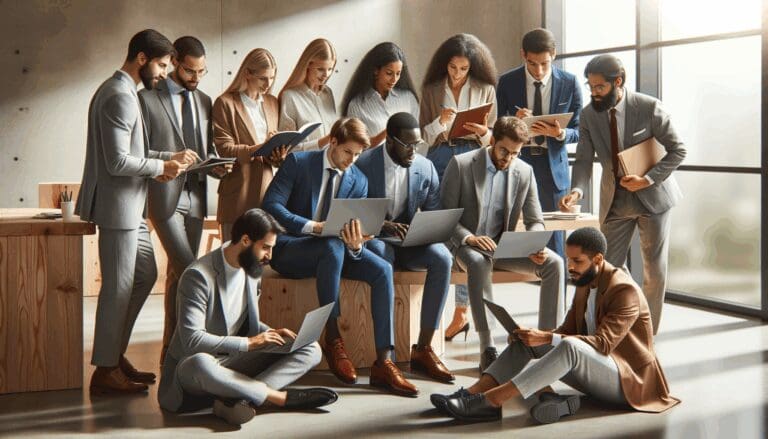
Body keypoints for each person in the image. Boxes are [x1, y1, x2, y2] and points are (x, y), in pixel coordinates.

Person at [431, 227, 680, 424]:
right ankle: (473, 394)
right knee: (527, 342)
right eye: (569, 260)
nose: (570, 267)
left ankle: (492, 401)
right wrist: (535, 336)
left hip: (630, 382)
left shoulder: (624, 290)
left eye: (577, 261)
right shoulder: (585, 282)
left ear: (599, 259)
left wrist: (548, 338)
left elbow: (604, 344)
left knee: (568, 346)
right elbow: (567, 331)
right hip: (599, 369)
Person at [262, 117, 418, 397]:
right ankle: (332, 338)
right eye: (348, 152)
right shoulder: (299, 163)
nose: (352, 160)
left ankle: (384, 361)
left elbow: (350, 231)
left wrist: (357, 246)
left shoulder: (359, 179)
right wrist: (313, 227)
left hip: (334, 251)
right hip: (290, 249)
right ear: (333, 142)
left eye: (358, 155)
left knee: (382, 268)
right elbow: (271, 205)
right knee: (332, 247)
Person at [75, 29, 194, 394]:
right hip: (118, 210)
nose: (162, 73)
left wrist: (167, 157)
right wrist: (162, 169)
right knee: (117, 289)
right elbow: (116, 161)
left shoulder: (123, 91)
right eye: (160, 65)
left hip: (130, 209)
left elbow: (132, 149)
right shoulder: (119, 96)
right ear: (141, 58)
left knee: (145, 275)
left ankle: (113, 355)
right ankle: (105, 369)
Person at [158, 209, 338, 425]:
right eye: (265, 248)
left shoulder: (252, 271)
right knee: (200, 363)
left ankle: (238, 400)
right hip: (194, 372)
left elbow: (243, 323)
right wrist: (251, 343)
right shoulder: (197, 276)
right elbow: (192, 341)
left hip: (231, 361)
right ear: (245, 240)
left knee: (311, 348)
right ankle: (276, 397)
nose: (269, 257)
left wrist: (268, 333)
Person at [560, 55, 686, 334]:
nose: (593, 92)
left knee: (653, 271)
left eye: (599, 87)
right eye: (590, 86)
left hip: (653, 199)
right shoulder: (589, 115)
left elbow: (679, 150)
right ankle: (593, 329)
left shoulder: (649, 107)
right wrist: (577, 190)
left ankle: (645, 334)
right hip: (615, 201)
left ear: (618, 82)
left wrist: (647, 179)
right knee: (602, 266)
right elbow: (582, 159)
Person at [440, 116, 565, 371]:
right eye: (503, 150)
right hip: (465, 244)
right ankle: (488, 346)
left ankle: (546, 340)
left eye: (515, 153)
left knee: (555, 263)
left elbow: (535, 219)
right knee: (478, 261)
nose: (508, 158)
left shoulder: (524, 171)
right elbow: (445, 215)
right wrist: (469, 237)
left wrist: (534, 243)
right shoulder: (461, 165)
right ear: (492, 140)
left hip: (502, 246)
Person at [139, 36, 231, 363]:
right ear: (175, 62)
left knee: (179, 275)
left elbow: (207, 151)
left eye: (202, 72)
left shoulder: (205, 100)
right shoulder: (147, 97)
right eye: (191, 71)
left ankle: (171, 348)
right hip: (165, 197)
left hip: (197, 195)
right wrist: (170, 157)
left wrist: (218, 166)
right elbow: (138, 152)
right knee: (191, 270)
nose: (196, 78)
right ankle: (195, 345)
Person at [356, 112, 454, 383]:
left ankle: (423, 348)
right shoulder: (363, 163)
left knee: (443, 258)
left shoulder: (425, 167)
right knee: (382, 257)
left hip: (410, 242)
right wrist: (384, 225)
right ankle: (384, 359)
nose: (413, 151)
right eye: (407, 145)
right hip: (374, 238)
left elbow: (434, 213)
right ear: (389, 140)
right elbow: (351, 214)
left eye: (418, 145)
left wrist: (424, 230)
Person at [418, 33, 498, 342]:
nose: (457, 74)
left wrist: (483, 133)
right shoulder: (431, 90)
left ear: (472, 67)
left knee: (469, 228)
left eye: (463, 68)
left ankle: (461, 311)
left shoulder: (485, 89)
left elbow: (493, 136)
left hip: (473, 154)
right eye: (452, 67)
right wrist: (440, 122)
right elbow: (423, 136)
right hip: (440, 155)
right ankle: (435, 305)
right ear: (445, 64)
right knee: (440, 226)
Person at [496, 28, 583, 269]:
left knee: (555, 244)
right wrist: (514, 122)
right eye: (532, 64)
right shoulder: (507, 81)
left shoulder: (570, 82)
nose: (539, 71)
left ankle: (558, 305)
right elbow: (497, 129)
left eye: (544, 63)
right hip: (517, 165)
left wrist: (560, 133)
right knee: (512, 237)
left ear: (554, 54)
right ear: (523, 55)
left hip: (553, 170)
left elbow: (580, 131)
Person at [213, 48, 288, 242]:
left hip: (266, 190)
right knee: (232, 257)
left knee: (260, 262)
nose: (268, 84)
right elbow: (224, 148)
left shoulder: (272, 103)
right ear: (247, 73)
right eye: (263, 78)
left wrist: (278, 156)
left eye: (272, 78)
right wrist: (260, 147)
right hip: (238, 190)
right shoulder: (225, 103)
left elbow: (271, 154)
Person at [341, 42, 420, 147]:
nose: (394, 79)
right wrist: (389, 131)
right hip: (372, 162)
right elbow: (356, 147)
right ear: (375, 70)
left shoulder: (409, 99)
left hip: (408, 162)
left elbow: (418, 140)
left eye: (398, 73)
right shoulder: (357, 105)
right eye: (389, 73)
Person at [278, 38, 338, 152]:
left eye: (330, 69)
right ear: (308, 65)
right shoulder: (290, 96)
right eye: (320, 69)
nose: (326, 75)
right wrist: (322, 142)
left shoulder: (328, 93)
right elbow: (287, 149)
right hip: (303, 166)